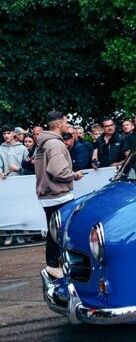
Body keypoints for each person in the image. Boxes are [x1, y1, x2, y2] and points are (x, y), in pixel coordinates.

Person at [35, 110, 84, 278]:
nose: (67, 126)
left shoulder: (42, 143)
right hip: (58, 194)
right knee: (60, 231)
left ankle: (54, 263)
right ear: (58, 125)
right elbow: (57, 170)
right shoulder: (55, 144)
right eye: (66, 123)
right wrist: (74, 175)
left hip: (48, 194)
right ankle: (53, 264)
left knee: (54, 230)